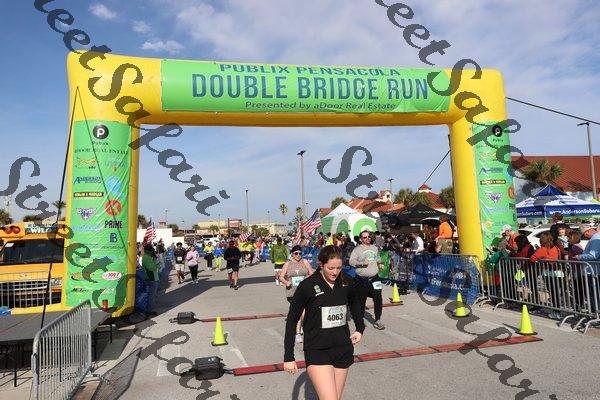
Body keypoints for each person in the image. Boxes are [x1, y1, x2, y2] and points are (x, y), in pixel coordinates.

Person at [283, 245, 364, 400]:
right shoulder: (307, 286)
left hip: (342, 348)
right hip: (317, 349)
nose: (335, 272)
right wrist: (289, 356)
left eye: (339, 268)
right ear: (321, 264)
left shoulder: (346, 281)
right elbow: (292, 320)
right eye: (330, 268)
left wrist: (360, 329)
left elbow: (355, 304)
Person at [349, 230, 386, 330]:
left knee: (378, 298)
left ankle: (377, 320)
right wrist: (361, 263)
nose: (367, 238)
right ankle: (360, 319)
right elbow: (351, 261)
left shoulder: (374, 248)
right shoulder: (357, 249)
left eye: (369, 237)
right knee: (361, 300)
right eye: (365, 237)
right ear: (361, 239)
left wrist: (380, 263)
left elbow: (377, 258)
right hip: (361, 279)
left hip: (375, 278)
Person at [279, 245, 314, 343]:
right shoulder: (288, 264)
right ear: (292, 254)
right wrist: (286, 282)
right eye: (296, 253)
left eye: (300, 253)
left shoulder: (305, 262)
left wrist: (307, 278)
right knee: (301, 311)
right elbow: (281, 277)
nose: (298, 255)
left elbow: (311, 273)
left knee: (304, 312)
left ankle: (299, 326)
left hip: (304, 291)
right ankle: (298, 333)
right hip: (292, 292)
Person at [530, 231, 562, 319]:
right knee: (556, 293)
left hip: (549, 273)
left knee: (553, 293)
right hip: (558, 273)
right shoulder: (555, 247)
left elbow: (533, 258)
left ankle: (556, 312)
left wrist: (538, 255)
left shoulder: (543, 249)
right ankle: (557, 311)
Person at [141, 243, 159, 317]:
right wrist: (155, 261)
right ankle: (149, 310)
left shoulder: (148, 257)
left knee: (152, 295)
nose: (152, 252)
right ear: (148, 251)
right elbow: (151, 268)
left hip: (153, 278)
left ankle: (149, 309)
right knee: (151, 295)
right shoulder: (146, 257)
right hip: (151, 278)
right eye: (151, 251)